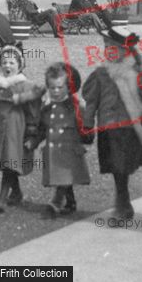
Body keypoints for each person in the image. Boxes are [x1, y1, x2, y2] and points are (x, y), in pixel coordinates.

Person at [83, 27, 142, 222]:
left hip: (129, 128)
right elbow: (92, 101)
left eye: (113, 46)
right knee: (115, 166)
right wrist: (87, 123)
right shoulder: (101, 74)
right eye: (106, 46)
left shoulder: (138, 72)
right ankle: (123, 201)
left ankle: (122, 203)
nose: (108, 50)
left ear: (126, 50)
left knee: (123, 165)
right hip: (108, 127)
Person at [0, 45, 43, 213]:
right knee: (4, 158)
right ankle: (17, 192)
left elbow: (32, 110)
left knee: (10, 158)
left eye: (12, 62)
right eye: (4, 62)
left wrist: (31, 130)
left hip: (16, 127)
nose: (7, 66)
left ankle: (2, 196)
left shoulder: (25, 86)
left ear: (19, 65)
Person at [28, 62, 91, 217]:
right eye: (52, 88)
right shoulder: (48, 108)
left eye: (59, 87)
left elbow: (86, 126)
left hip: (69, 149)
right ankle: (70, 202)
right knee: (62, 177)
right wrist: (34, 142)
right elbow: (43, 128)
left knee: (64, 175)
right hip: (53, 150)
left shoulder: (75, 107)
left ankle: (57, 201)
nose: (55, 91)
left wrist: (87, 135)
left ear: (69, 87)